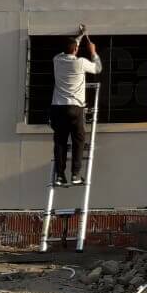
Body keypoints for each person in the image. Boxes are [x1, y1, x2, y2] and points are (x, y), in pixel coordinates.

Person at [50, 36, 103, 186]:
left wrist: (78, 38)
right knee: (78, 141)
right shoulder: (80, 63)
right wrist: (93, 52)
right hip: (75, 108)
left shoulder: (57, 60)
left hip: (57, 108)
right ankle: (75, 175)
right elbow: (98, 69)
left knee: (60, 142)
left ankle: (60, 176)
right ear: (76, 49)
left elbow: (69, 49)